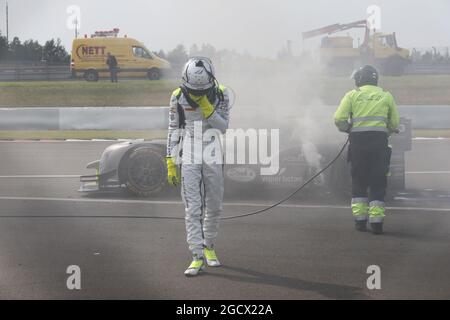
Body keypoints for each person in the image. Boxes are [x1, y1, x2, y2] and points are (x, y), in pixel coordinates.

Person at [166, 57, 230, 276]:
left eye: (203, 89)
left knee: (214, 204)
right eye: (196, 90)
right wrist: (170, 161)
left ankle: (209, 246)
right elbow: (173, 128)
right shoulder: (177, 96)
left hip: (212, 147)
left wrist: (207, 107)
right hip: (190, 149)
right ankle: (196, 256)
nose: (199, 92)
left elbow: (223, 128)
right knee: (192, 207)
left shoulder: (222, 93)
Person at [334, 65, 399, 235]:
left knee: (359, 181)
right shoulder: (386, 96)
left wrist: (347, 128)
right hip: (379, 144)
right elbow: (394, 124)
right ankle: (377, 223)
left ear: (360, 79)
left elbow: (338, 118)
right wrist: (386, 131)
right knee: (378, 181)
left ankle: (360, 221)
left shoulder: (352, 95)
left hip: (358, 145)